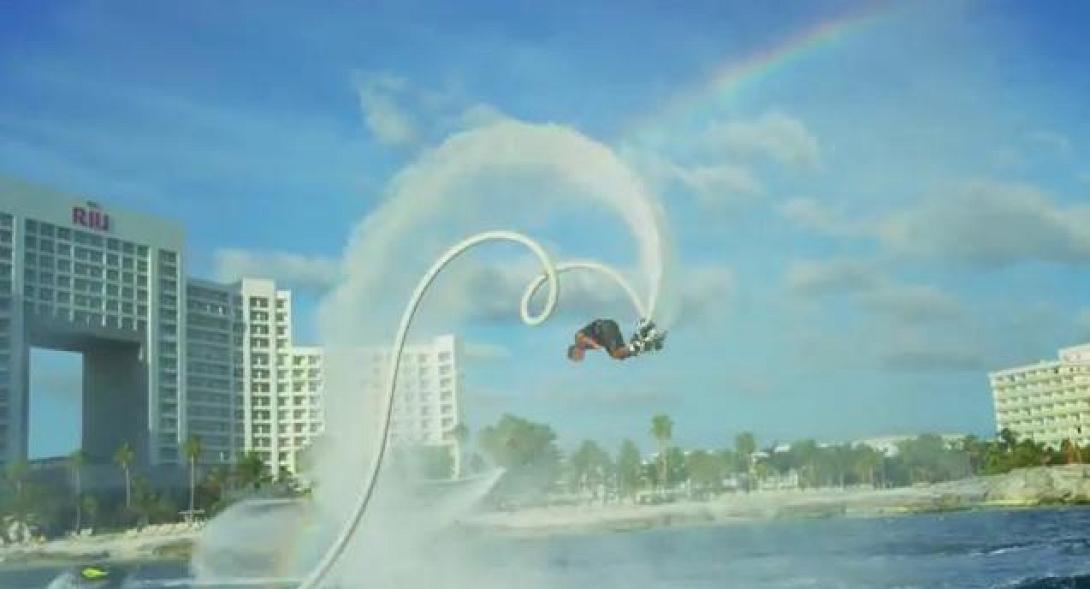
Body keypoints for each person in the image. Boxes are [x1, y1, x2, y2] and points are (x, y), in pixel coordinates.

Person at [566, 318, 663, 362]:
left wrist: (595, 345)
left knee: (616, 353)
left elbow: (582, 337)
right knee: (619, 355)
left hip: (605, 328)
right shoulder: (584, 347)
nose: (580, 359)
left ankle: (643, 344)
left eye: (576, 358)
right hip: (607, 331)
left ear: (575, 351)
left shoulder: (578, 341)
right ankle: (643, 337)